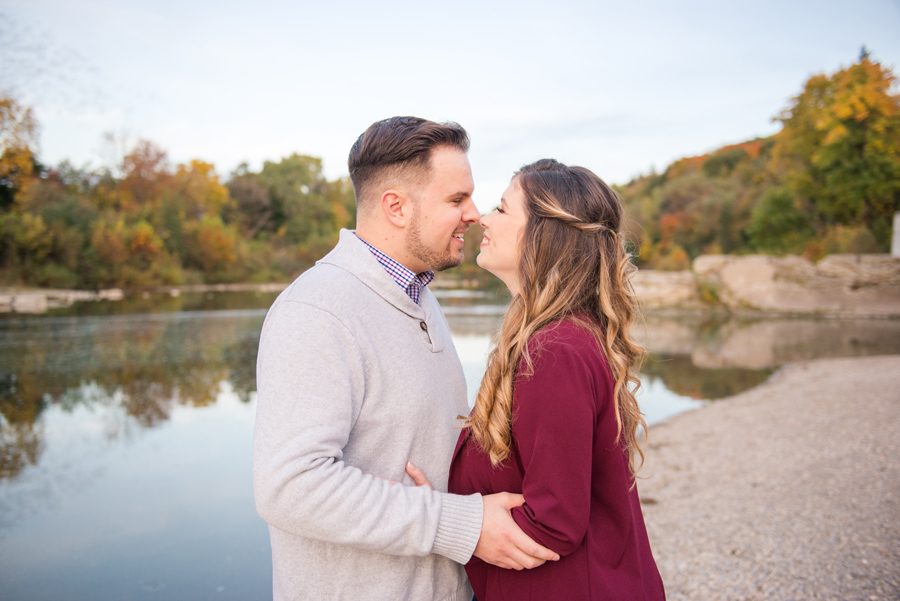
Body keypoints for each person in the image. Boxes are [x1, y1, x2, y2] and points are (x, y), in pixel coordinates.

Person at [252, 117, 557, 601]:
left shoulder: (418, 296)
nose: (475, 214)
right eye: (457, 199)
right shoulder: (316, 310)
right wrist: (463, 525)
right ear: (395, 207)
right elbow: (290, 486)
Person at [447, 159, 666, 600]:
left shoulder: (556, 352)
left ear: (545, 235)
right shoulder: (559, 337)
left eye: (503, 209)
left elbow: (553, 524)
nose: (483, 218)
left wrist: (447, 523)